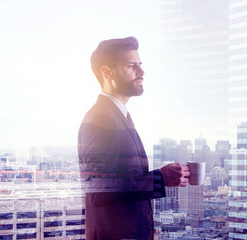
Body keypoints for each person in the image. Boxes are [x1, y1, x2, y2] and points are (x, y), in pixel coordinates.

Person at [77, 36, 190, 240]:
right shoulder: (102, 117)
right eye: (131, 66)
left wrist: (162, 177)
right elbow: (99, 190)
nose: (142, 72)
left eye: (140, 65)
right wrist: (160, 179)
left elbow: (120, 179)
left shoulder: (119, 115)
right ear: (106, 72)